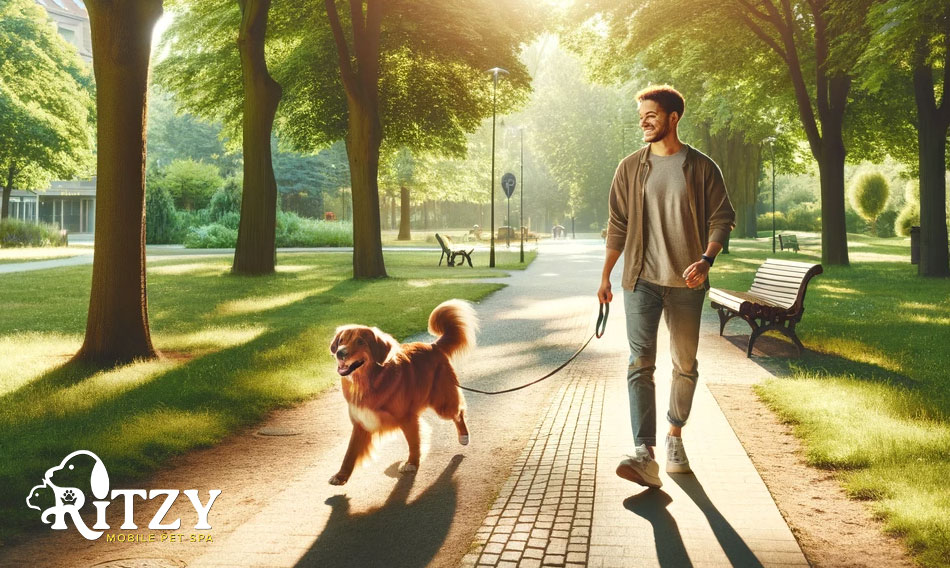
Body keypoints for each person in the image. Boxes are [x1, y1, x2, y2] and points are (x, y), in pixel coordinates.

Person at [598, 85, 735, 488]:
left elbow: (721, 218)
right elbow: (618, 223)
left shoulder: (702, 167)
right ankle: (645, 453)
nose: (643, 122)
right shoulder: (629, 168)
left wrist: (707, 260)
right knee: (640, 363)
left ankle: (674, 434)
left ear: (673, 117)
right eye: (641, 116)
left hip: (686, 284)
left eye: (651, 115)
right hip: (640, 280)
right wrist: (606, 275)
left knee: (685, 364)